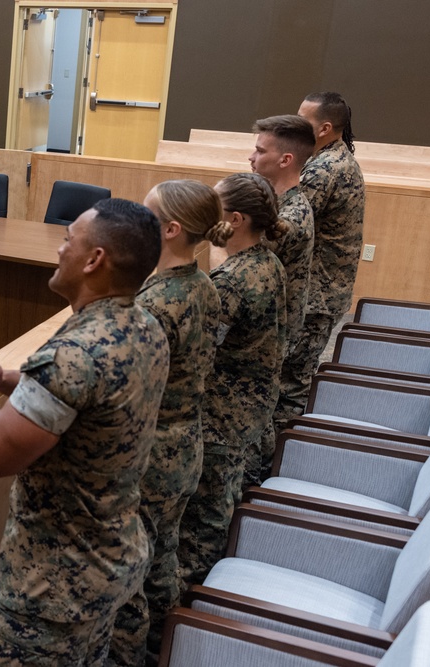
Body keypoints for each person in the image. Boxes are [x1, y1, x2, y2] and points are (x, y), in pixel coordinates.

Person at [0, 198, 169, 666]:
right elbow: (84, 399)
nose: (59, 250)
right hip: (110, 559)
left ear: (95, 260)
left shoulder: (76, 353)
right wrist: (0, 374)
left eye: (67, 240)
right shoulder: (143, 326)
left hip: (55, 586)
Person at [108, 181, 229, 667]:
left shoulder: (155, 304)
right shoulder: (202, 285)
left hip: (152, 453)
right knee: (161, 553)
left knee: (128, 573)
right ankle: (164, 644)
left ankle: (128, 657)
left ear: (170, 229)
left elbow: (125, 391)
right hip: (184, 445)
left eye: (146, 211)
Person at [177, 173, 287, 587]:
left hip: (223, 414)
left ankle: (191, 605)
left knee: (205, 520)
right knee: (222, 499)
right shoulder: (267, 261)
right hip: (249, 406)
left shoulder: (233, 282)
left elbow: (196, 354)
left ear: (236, 219)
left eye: (215, 206)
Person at [284, 92, 365, 423]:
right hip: (321, 292)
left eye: (304, 120)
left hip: (314, 296)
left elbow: (291, 226)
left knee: (290, 382)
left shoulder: (325, 168)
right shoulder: (335, 158)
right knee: (293, 377)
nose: (295, 124)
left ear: (325, 128)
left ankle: (272, 464)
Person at [248, 114, 317, 484]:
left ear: (285, 159)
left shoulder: (289, 216)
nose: (251, 157)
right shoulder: (280, 202)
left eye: (260, 151)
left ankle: (254, 492)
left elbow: (238, 260)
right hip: (267, 328)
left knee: (254, 419)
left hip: (268, 336)